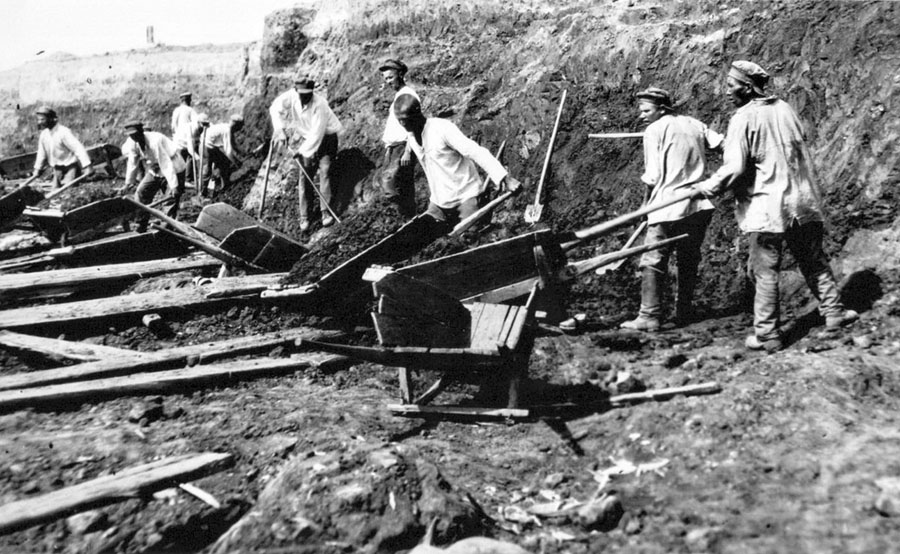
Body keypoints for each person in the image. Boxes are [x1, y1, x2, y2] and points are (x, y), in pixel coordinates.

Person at [695, 60, 858, 352]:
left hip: (767, 206)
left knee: (765, 270)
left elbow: (735, 168)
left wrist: (708, 186)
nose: (727, 91)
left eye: (731, 85)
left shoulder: (743, 118)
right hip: (801, 200)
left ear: (747, 88)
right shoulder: (785, 109)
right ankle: (834, 312)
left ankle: (767, 335)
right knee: (813, 259)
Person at [618, 87, 723, 332]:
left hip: (667, 205)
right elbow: (724, 145)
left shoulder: (654, 130)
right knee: (688, 258)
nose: (642, 116)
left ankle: (649, 316)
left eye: (647, 111)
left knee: (653, 259)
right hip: (698, 203)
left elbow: (653, 176)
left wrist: (645, 205)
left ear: (662, 109)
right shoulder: (695, 124)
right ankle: (683, 312)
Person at [392, 94, 521, 229]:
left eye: (405, 120)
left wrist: (505, 178)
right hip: (441, 201)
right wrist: (407, 152)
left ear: (417, 114)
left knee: (471, 235)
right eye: (399, 120)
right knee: (421, 234)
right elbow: (410, 140)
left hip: (466, 196)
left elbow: (475, 151)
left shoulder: (441, 129)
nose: (402, 124)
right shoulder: (411, 134)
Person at [269, 77, 343, 231]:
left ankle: (326, 212)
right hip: (307, 138)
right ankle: (305, 216)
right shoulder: (290, 97)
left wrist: (301, 152)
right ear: (296, 91)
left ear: (312, 91)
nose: (305, 97)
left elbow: (317, 134)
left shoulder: (320, 104)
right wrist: (279, 129)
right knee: (304, 175)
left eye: (308, 94)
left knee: (325, 172)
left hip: (326, 139)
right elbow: (275, 108)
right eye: (301, 94)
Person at [122, 121, 186, 232]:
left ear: (141, 131)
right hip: (155, 168)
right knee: (142, 192)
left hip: (173, 166)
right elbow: (132, 162)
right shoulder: (132, 143)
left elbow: (166, 163)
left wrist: (174, 186)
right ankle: (141, 223)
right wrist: (128, 183)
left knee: (169, 199)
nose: (133, 137)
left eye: (135, 134)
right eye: (131, 135)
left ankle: (167, 229)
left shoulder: (154, 141)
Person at [379, 58, 419, 218]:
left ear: (400, 74)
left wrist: (408, 151)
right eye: (385, 79)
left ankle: (410, 218)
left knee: (395, 186)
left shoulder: (408, 95)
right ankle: (407, 219)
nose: (388, 81)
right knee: (397, 187)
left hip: (403, 147)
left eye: (390, 77)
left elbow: (414, 125)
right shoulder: (399, 96)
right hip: (394, 148)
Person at [32, 106, 93, 188]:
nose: (40, 122)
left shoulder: (63, 132)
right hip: (57, 169)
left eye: (42, 119)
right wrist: (37, 169)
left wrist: (87, 166)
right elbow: (41, 154)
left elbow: (78, 148)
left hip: (70, 167)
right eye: (38, 119)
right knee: (55, 190)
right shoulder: (44, 135)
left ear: (51, 119)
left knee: (68, 188)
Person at [201, 114, 244, 197]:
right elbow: (228, 151)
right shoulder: (227, 130)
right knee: (208, 167)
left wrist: (242, 153)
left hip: (210, 145)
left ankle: (224, 184)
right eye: (239, 127)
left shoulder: (227, 128)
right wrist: (236, 162)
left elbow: (233, 144)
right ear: (236, 125)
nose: (240, 129)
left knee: (224, 163)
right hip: (206, 146)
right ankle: (203, 191)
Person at [171, 92, 198, 180]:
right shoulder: (190, 110)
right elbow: (195, 125)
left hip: (178, 139)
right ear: (188, 100)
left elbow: (173, 126)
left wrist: (176, 135)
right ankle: (188, 178)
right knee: (190, 157)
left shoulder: (176, 110)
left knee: (180, 159)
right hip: (188, 137)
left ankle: (180, 178)